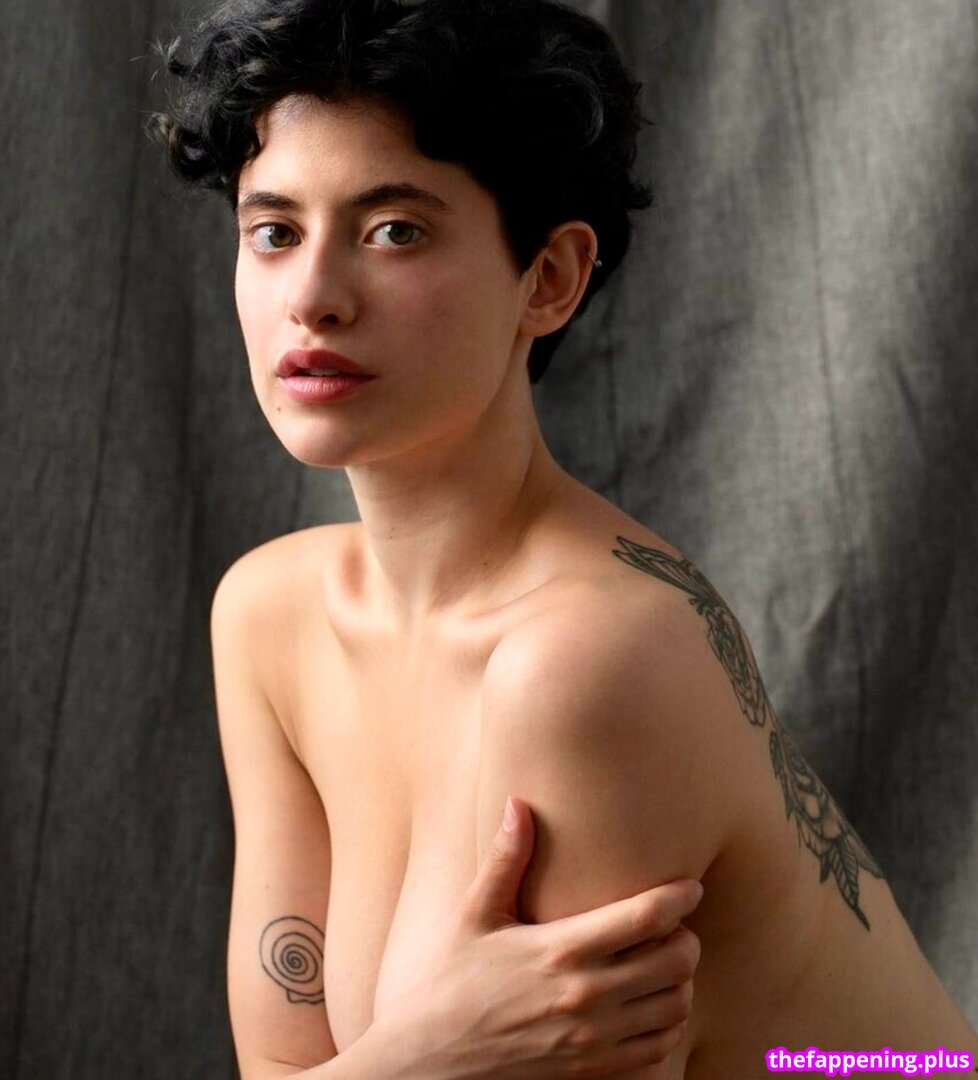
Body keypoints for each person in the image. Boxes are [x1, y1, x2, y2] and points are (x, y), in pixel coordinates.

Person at [154, 1, 978, 1077]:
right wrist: (429, 1056)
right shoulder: (270, 617)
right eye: (274, 232)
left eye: (394, 230)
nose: (311, 298)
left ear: (547, 279)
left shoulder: (587, 663)